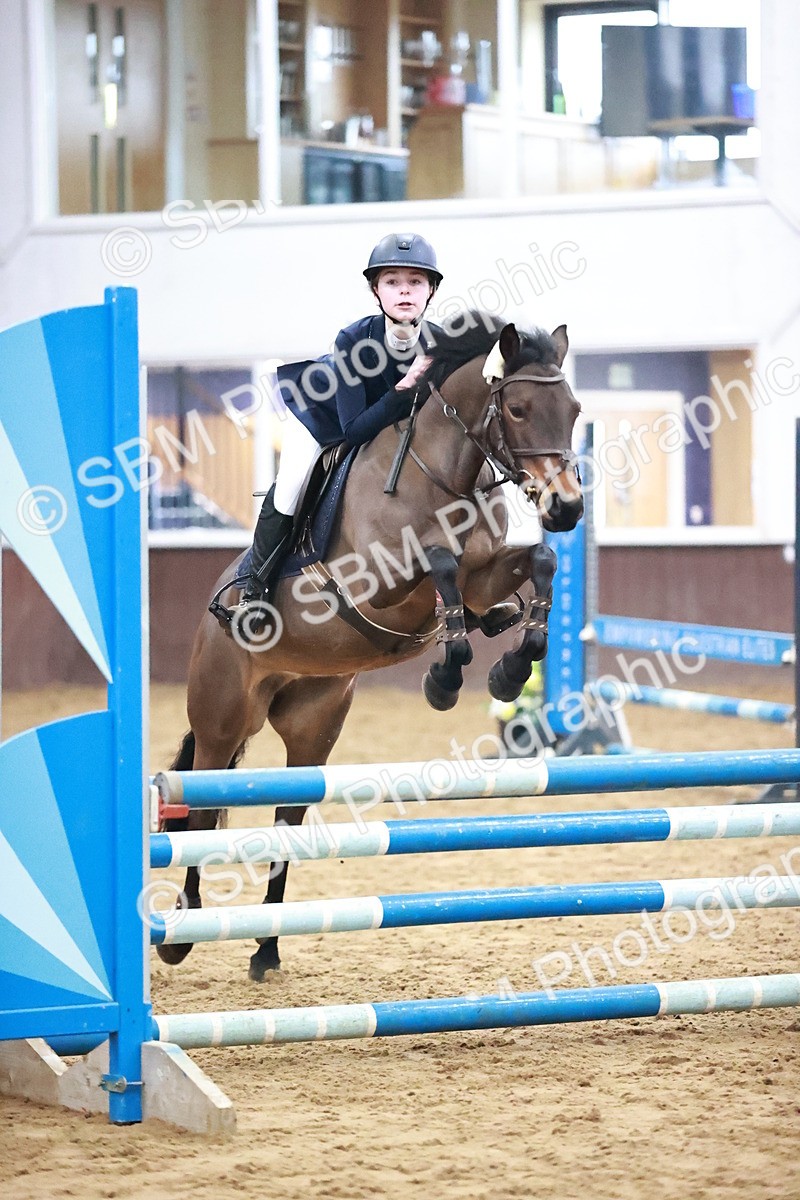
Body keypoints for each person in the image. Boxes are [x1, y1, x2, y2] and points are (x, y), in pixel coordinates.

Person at [228, 232, 443, 624]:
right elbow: (355, 430)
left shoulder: (439, 343)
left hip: (389, 432)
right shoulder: (353, 340)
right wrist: (405, 386)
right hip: (323, 420)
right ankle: (253, 591)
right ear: (376, 291)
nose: (404, 291)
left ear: (431, 290)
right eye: (392, 281)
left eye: (415, 281)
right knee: (292, 484)